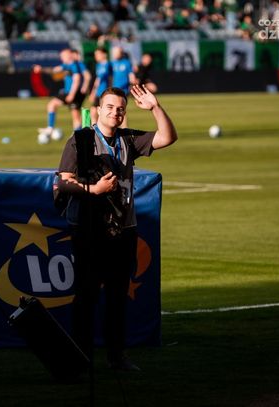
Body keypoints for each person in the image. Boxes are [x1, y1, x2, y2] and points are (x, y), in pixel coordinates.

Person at [57, 85, 177, 372]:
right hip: (89, 229)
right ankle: (81, 358)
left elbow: (167, 137)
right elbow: (62, 182)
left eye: (120, 108)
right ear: (98, 110)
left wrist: (155, 108)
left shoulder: (128, 139)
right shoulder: (81, 140)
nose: (115, 112)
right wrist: (94, 189)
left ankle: (116, 356)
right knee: (86, 296)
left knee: (117, 296)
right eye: (110, 107)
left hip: (123, 230)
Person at [34, 48, 88, 141]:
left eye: (63, 56)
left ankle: (77, 135)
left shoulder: (74, 65)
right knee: (55, 106)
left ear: (69, 55)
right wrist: (41, 69)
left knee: (74, 114)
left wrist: (72, 94)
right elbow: (54, 70)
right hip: (69, 92)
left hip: (74, 93)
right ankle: (52, 129)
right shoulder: (66, 65)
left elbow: (77, 79)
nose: (61, 58)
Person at [110, 46, 136, 127]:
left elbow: (131, 75)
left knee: (120, 108)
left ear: (121, 53)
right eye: (113, 53)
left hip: (123, 90)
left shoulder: (126, 63)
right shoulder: (112, 63)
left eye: (116, 53)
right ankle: (117, 126)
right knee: (114, 108)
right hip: (113, 90)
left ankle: (124, 127)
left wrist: (133, 84)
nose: (114, 54)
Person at [89, 48, 111, 124]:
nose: (96, 56)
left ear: (104, 54)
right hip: (99, 92)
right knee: (94, 111)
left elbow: (99, 80)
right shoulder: (98, 65)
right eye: (95, 55)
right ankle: (95, 127)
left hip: (105, 92)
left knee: (95, 111)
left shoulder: (108, 65)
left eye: (98, 54)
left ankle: (95, 128)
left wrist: (93, 93)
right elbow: (97, 79)